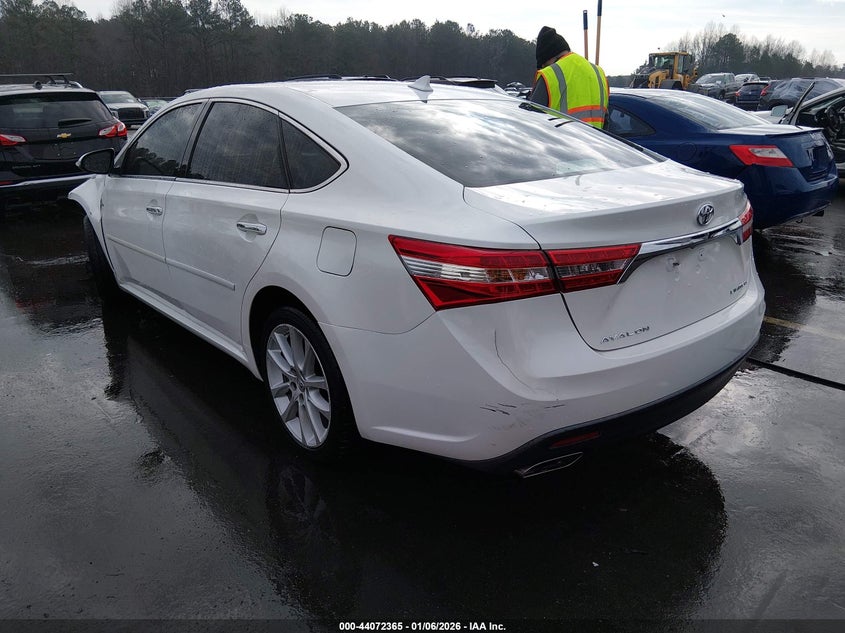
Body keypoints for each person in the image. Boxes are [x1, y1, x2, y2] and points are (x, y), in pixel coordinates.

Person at [530, 25, 609, 129]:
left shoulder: (550, 75)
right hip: (597, 144)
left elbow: (533, 122)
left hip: (560, 144)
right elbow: (606, 121)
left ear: (549, 57)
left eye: (543, 65)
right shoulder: (598, 72)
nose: (543, 68)